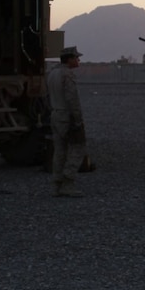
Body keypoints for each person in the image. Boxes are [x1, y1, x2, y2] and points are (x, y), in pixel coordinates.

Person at [47, 46, 87, 197]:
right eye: (76, 57)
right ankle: (68, 182)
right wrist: (77, 119)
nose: (78, 60)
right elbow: (72, 99)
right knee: (77, 148)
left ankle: (56, 184)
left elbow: (46, 96)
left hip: (55, 114)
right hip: (66, 115)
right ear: (69, 59)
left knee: (59, 150)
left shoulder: (52, 73)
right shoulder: (67, 75)